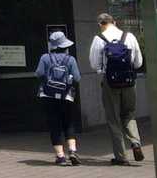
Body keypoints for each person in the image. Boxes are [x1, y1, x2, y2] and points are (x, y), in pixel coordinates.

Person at [89, 12, 145, 166]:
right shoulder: (129, 37)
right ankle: (135, 142)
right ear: (114, 22)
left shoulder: (99, 39)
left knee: (113, 119)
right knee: (129, 114)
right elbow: (138, 63)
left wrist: (104, 69)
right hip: (129, 82)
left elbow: (94, 65)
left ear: (100, 24)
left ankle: (121, 156)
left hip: (110, 83)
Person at [36, 30, 81, 165]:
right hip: (66, 96)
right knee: (68, 123)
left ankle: (60, 157)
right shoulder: (70, 59)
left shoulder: (45, 58)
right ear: (65, 45)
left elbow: (39, 73)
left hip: (48, 95)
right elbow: (77, 78)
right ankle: (72, 151)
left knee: (54, 124)